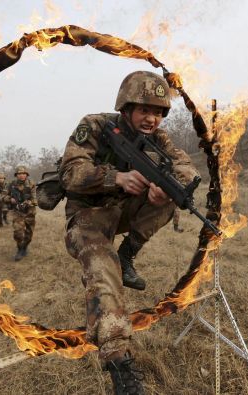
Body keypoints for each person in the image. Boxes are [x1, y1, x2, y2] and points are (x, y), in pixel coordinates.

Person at [60, 70, 198, 394]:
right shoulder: (94, 126)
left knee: (171, 195)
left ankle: (128, 254)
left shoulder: (158, 139)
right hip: (87, 217)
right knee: (102, 267)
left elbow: (185, 166)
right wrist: (115, 178)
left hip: (123, 213)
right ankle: (118, 360)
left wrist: (166, 189)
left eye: (158, 112)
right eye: (144, 110)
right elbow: (70, 172)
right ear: (126, 108)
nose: (151, 119)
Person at [4, 166, 36, 261]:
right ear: (16, 175)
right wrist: (10, 199)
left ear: (26, 175)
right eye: (19, 174)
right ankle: (19, 250)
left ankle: (24, 247)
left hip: (30, 212)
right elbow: (3, 196)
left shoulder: (31, 184)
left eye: (24, 174)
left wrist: (31, 202)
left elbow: (35, 197)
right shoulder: (11, 184)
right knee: (18, 232)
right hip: (17, 212)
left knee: (29, 234)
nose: (22, 175)